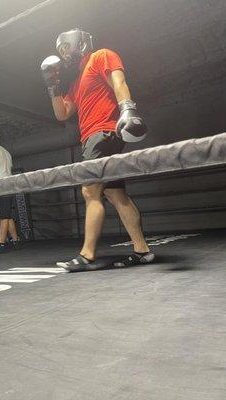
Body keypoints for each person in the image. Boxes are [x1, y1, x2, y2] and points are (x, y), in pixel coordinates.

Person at [40, 28, 154, 271]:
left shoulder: (102, 55)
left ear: (79, 42)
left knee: (90, 192)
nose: (64, 53)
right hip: (94, 137)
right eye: (60, 51)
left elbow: (119, 81)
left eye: (65, 47)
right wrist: (52, 85)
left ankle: (87, 255)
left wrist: (127, 109)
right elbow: (62, 113)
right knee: (115, 194)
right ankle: (142, 250)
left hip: (102, 133)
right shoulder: (75, 83)